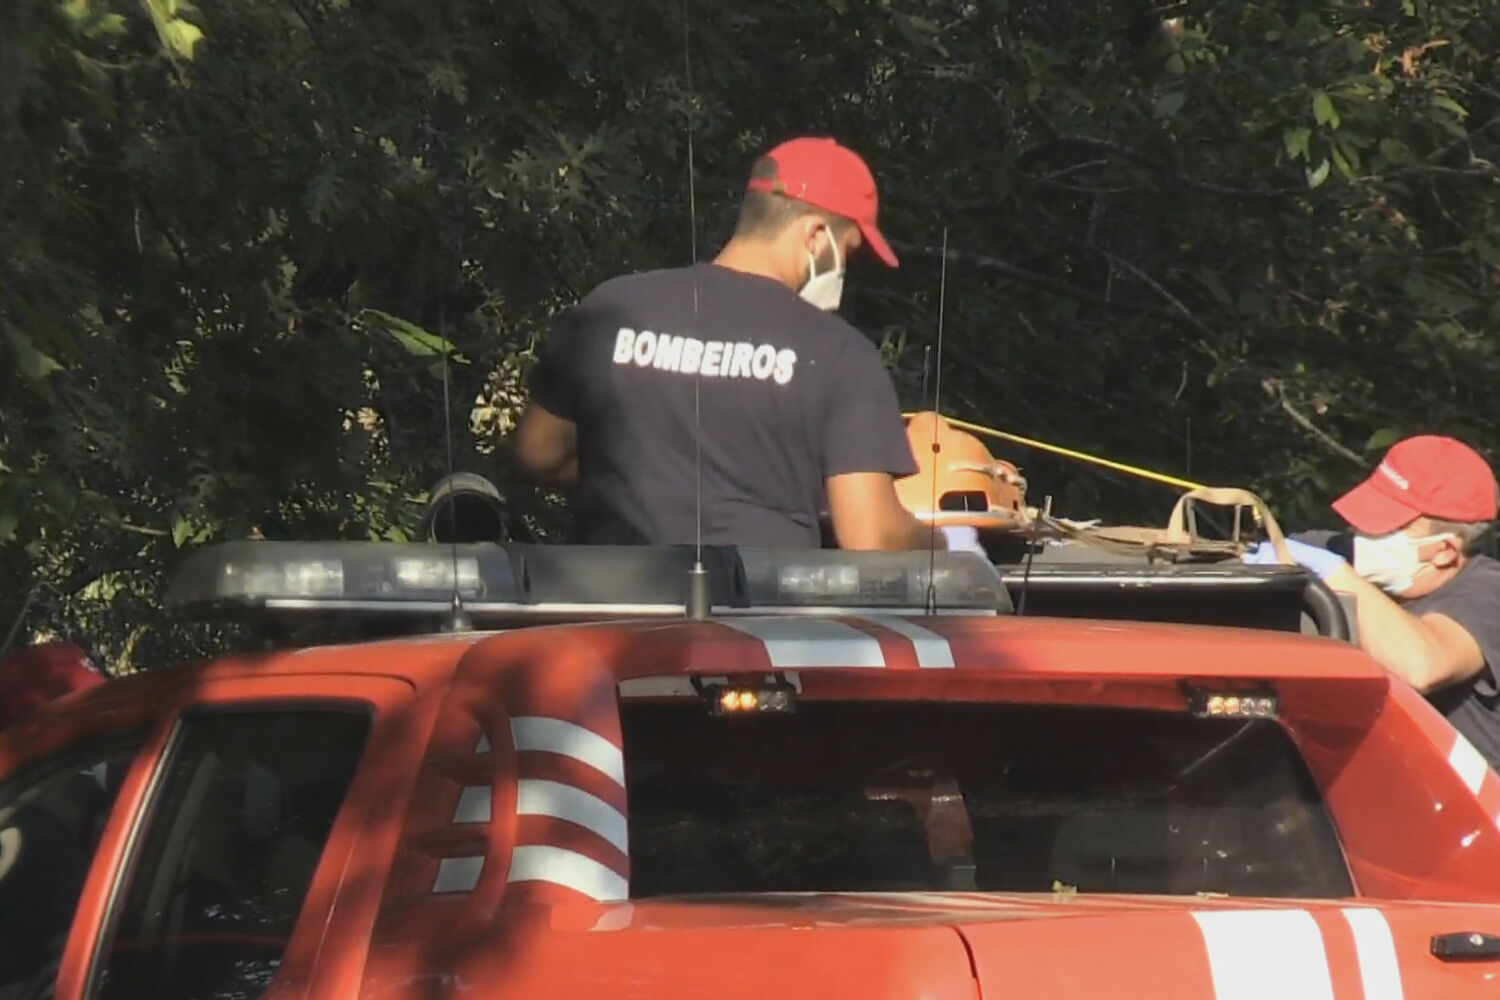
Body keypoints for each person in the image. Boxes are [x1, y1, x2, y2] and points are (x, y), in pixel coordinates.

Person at [510, 135, 953, 552]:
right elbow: (870, 534)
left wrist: (639, 486)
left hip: (608, 601)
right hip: (758, 605)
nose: (844, 274)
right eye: (848, 254)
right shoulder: (839, 353)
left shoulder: (613, 308)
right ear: (815, 235)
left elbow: (537, 453)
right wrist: (944, 544)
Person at [1246, 435, 1500, 767]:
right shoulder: (1330, 550)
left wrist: (1335, 574)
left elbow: (1421, 667)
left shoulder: (1487, 592)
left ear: (1444, 550)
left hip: (1457, 792)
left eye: (1385, 528)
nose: (1360, 533)